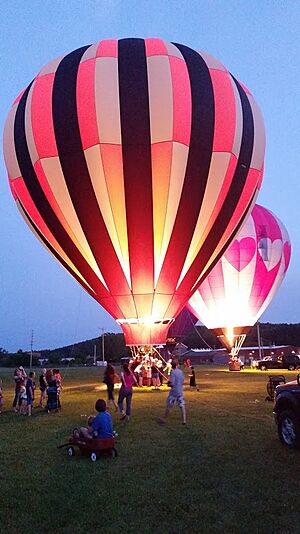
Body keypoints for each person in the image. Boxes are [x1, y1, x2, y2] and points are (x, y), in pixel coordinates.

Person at [158, 359, 186, 425]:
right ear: (177, 365)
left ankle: (164, 419)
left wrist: (168, 384)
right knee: (182, 405)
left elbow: (172, 384)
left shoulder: (173, 372)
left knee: (169, 405)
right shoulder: (181, 372)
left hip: (174, 392)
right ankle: (184, 420)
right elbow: (182, 381)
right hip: (180, 390)